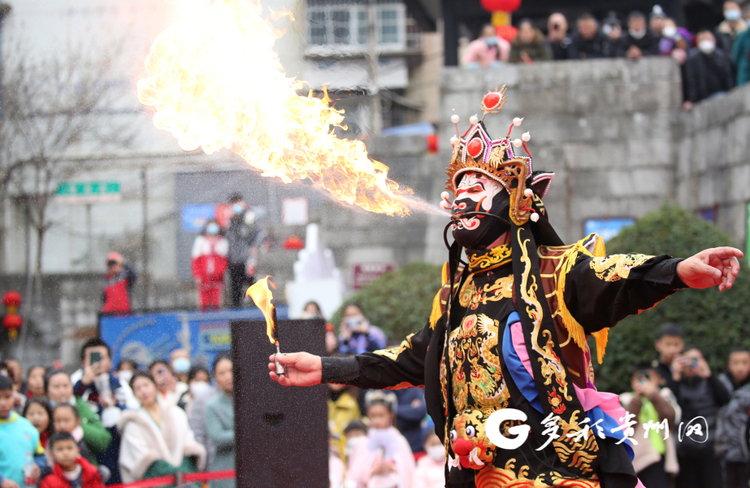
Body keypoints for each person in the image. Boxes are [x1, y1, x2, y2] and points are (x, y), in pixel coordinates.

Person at [267, 87, 744, 487]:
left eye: (480, 189)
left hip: (552, 471)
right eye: (460, 192)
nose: (465, 200)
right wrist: (327, 366)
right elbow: (414, 359)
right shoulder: (455, 293)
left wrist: (680, 270)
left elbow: (618, 276)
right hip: (477, 470)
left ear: (516, 200)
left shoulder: (553, 273)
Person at [118, 371, 206, 483]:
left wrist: (182, 471)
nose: (143, 391)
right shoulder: (132, 423)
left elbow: (188, 442)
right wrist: (170, 473)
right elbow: (140, 458)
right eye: (138, 388)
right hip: (157, 481)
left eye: (146, 385)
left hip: (185, 478)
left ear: (155, 386)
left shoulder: (176, 413)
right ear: (134, 393)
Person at [71, 339, 138, 485]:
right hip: (88, 448)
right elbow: (70, 406)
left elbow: (134, 410)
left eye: (102, 358)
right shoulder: (75, 382)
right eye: (93, 358)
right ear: (83, 362)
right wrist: (83, 384)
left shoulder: (119, 382)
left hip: (116, 447)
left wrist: (116, 407)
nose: (98, 363)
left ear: (110, 360)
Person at [672, 345, 731, 488]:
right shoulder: (677, 383)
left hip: (710, 449)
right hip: (684, 451)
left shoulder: (710, 382)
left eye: (695, 359)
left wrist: (709, 376)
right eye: (687, 360)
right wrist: (675, 376)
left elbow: (725, 399)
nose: (691, 364)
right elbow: (670, 406)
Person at [619, 365, 679, 487]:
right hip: (637, 458)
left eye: (647, 378)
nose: (643, 382)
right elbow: (624, 425)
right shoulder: (626, 399)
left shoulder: (665, 395)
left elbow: (672, 418)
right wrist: (638, 398)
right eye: (639, 379)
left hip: (661, 456)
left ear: (656, 379)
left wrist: (653, 395)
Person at [345, 392, 414, 488]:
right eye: (373, 416)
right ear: (368, 415)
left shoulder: (399, 440)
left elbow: (409, 471)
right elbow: (355, 473)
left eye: (381, 416)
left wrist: (393, 468)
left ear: (390, 415)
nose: (377, 420)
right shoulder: (363, 443)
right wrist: (372, 471)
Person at [45, 370, 111, 460]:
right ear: (47, 390)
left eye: (65, 386)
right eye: (56, 387)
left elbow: (103, 440)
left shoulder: (80, 405)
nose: (62, 390)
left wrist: (76, 424)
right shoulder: (43, 409)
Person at [716, 347, 750, 488]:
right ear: (728, 365)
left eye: (745, 362)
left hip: (745, 452)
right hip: (721, 452)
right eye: (735, 363)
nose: (740, 367)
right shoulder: (717, 384)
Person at [0, 375, 41, 488]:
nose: (3, 403)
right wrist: (1, 481)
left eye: (7, 397)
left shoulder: (26, 425)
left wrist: (39, 466)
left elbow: (39, 454)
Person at [225, 194, 264, 308]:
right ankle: (237, 310)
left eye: (238, 202)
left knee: (251, 284)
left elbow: (260, 234)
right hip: (233, 259)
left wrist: (255, 247)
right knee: (235, 286)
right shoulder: (229, 222)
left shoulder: (249, 219)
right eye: (233, 203)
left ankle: (258, 307)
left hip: (247, 259)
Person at [683, 29, 735, 109]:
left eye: (708, 39)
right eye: (702, 40)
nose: (706, 42)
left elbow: (728, 77)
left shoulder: (721, 56)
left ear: (714, 41)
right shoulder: (692, 60)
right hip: (702, 99)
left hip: (723, 95)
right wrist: (691, 100)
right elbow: (691, 82)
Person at [204, 354, 234, 488]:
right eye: (222, 373)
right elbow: (217, 437)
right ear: (215, 378)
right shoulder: (212, 406)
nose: (228, 376)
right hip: (225, 472)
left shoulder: (252, 401)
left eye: (231, 370)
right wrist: (249, 432)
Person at [39, 432, 105, 488]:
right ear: (51, 454)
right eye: (60, 449)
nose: (65, 453)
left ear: (78, 450)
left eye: (69, 448)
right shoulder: (49, 481)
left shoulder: (92, 473)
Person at [191, 220, 228, 311]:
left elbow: (224, 261)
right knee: (203, 304)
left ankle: (217, 323)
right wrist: (197, 275)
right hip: (203, 278)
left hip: (217, 278)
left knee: (216, 303)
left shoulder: (222, 242)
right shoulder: (200, 241)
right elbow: (195, 260)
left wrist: (218, 273)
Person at [328, 378, 362, 463]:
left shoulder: (353, 403)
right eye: (331, 373)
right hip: (323, 456)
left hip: (347, 458)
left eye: (339, 375)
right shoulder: (316, 402)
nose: (335, 378)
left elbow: (357, 433)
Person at [652, 322, 685, 393]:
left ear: (682, 345)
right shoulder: (654, 370)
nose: (672, 349)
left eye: (676, 344)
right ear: (658, 345)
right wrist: (676, 376)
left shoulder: (687, 366)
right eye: (668, 344)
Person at [393, 387, 426, 457]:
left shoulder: (415, 388)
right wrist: (410, 408)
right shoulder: (386, 387)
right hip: (395, 446)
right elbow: (383, 410)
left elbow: (421, 411)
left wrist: (395, 411)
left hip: (417, 445)